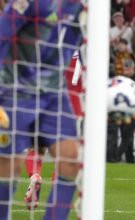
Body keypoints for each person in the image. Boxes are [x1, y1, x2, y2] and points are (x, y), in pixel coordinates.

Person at [0, 1, 84, 219]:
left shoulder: (81, 7)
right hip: (17, 90)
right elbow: (3, 35)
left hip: (54, 94)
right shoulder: (28, 3)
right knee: (8, 167)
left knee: (70, 160)